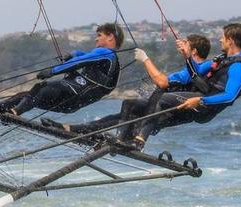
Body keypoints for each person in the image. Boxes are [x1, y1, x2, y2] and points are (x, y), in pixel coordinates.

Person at [45, 33, 212, 138]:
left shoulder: (199, 67)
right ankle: (71, 128)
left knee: (125, 110)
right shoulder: (193, 67)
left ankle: (120, 138)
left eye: (186, 45)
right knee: (115, 117)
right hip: (159, 105)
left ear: (194, 51)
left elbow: (161, 81)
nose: (182, 46)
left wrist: (145, 59)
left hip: (163, 111)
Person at [123, 23, 241, 148]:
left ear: (231, 41)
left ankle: (139, 141)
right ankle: (125, 138)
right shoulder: (221, 59)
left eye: (223, 37)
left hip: (206, 106)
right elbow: (197, 72)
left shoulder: (239, 67)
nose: (220, 40)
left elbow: (229, 96)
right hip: (199, 98)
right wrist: (187, 56)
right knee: (144, 103)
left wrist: (201, 100)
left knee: (161, 99)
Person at [0, 23, 124, 117]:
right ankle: (0, 108)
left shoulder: (105, 53)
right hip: (71, 105)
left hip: (73, 95)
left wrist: (52, 71)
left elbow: (79, 62)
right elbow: (83, 57)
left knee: (42, 87)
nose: (96, 38)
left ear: (110, 37)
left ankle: (14, 113)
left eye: (99, 35)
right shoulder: (111, 60)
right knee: (28, 95)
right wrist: (74, 54)